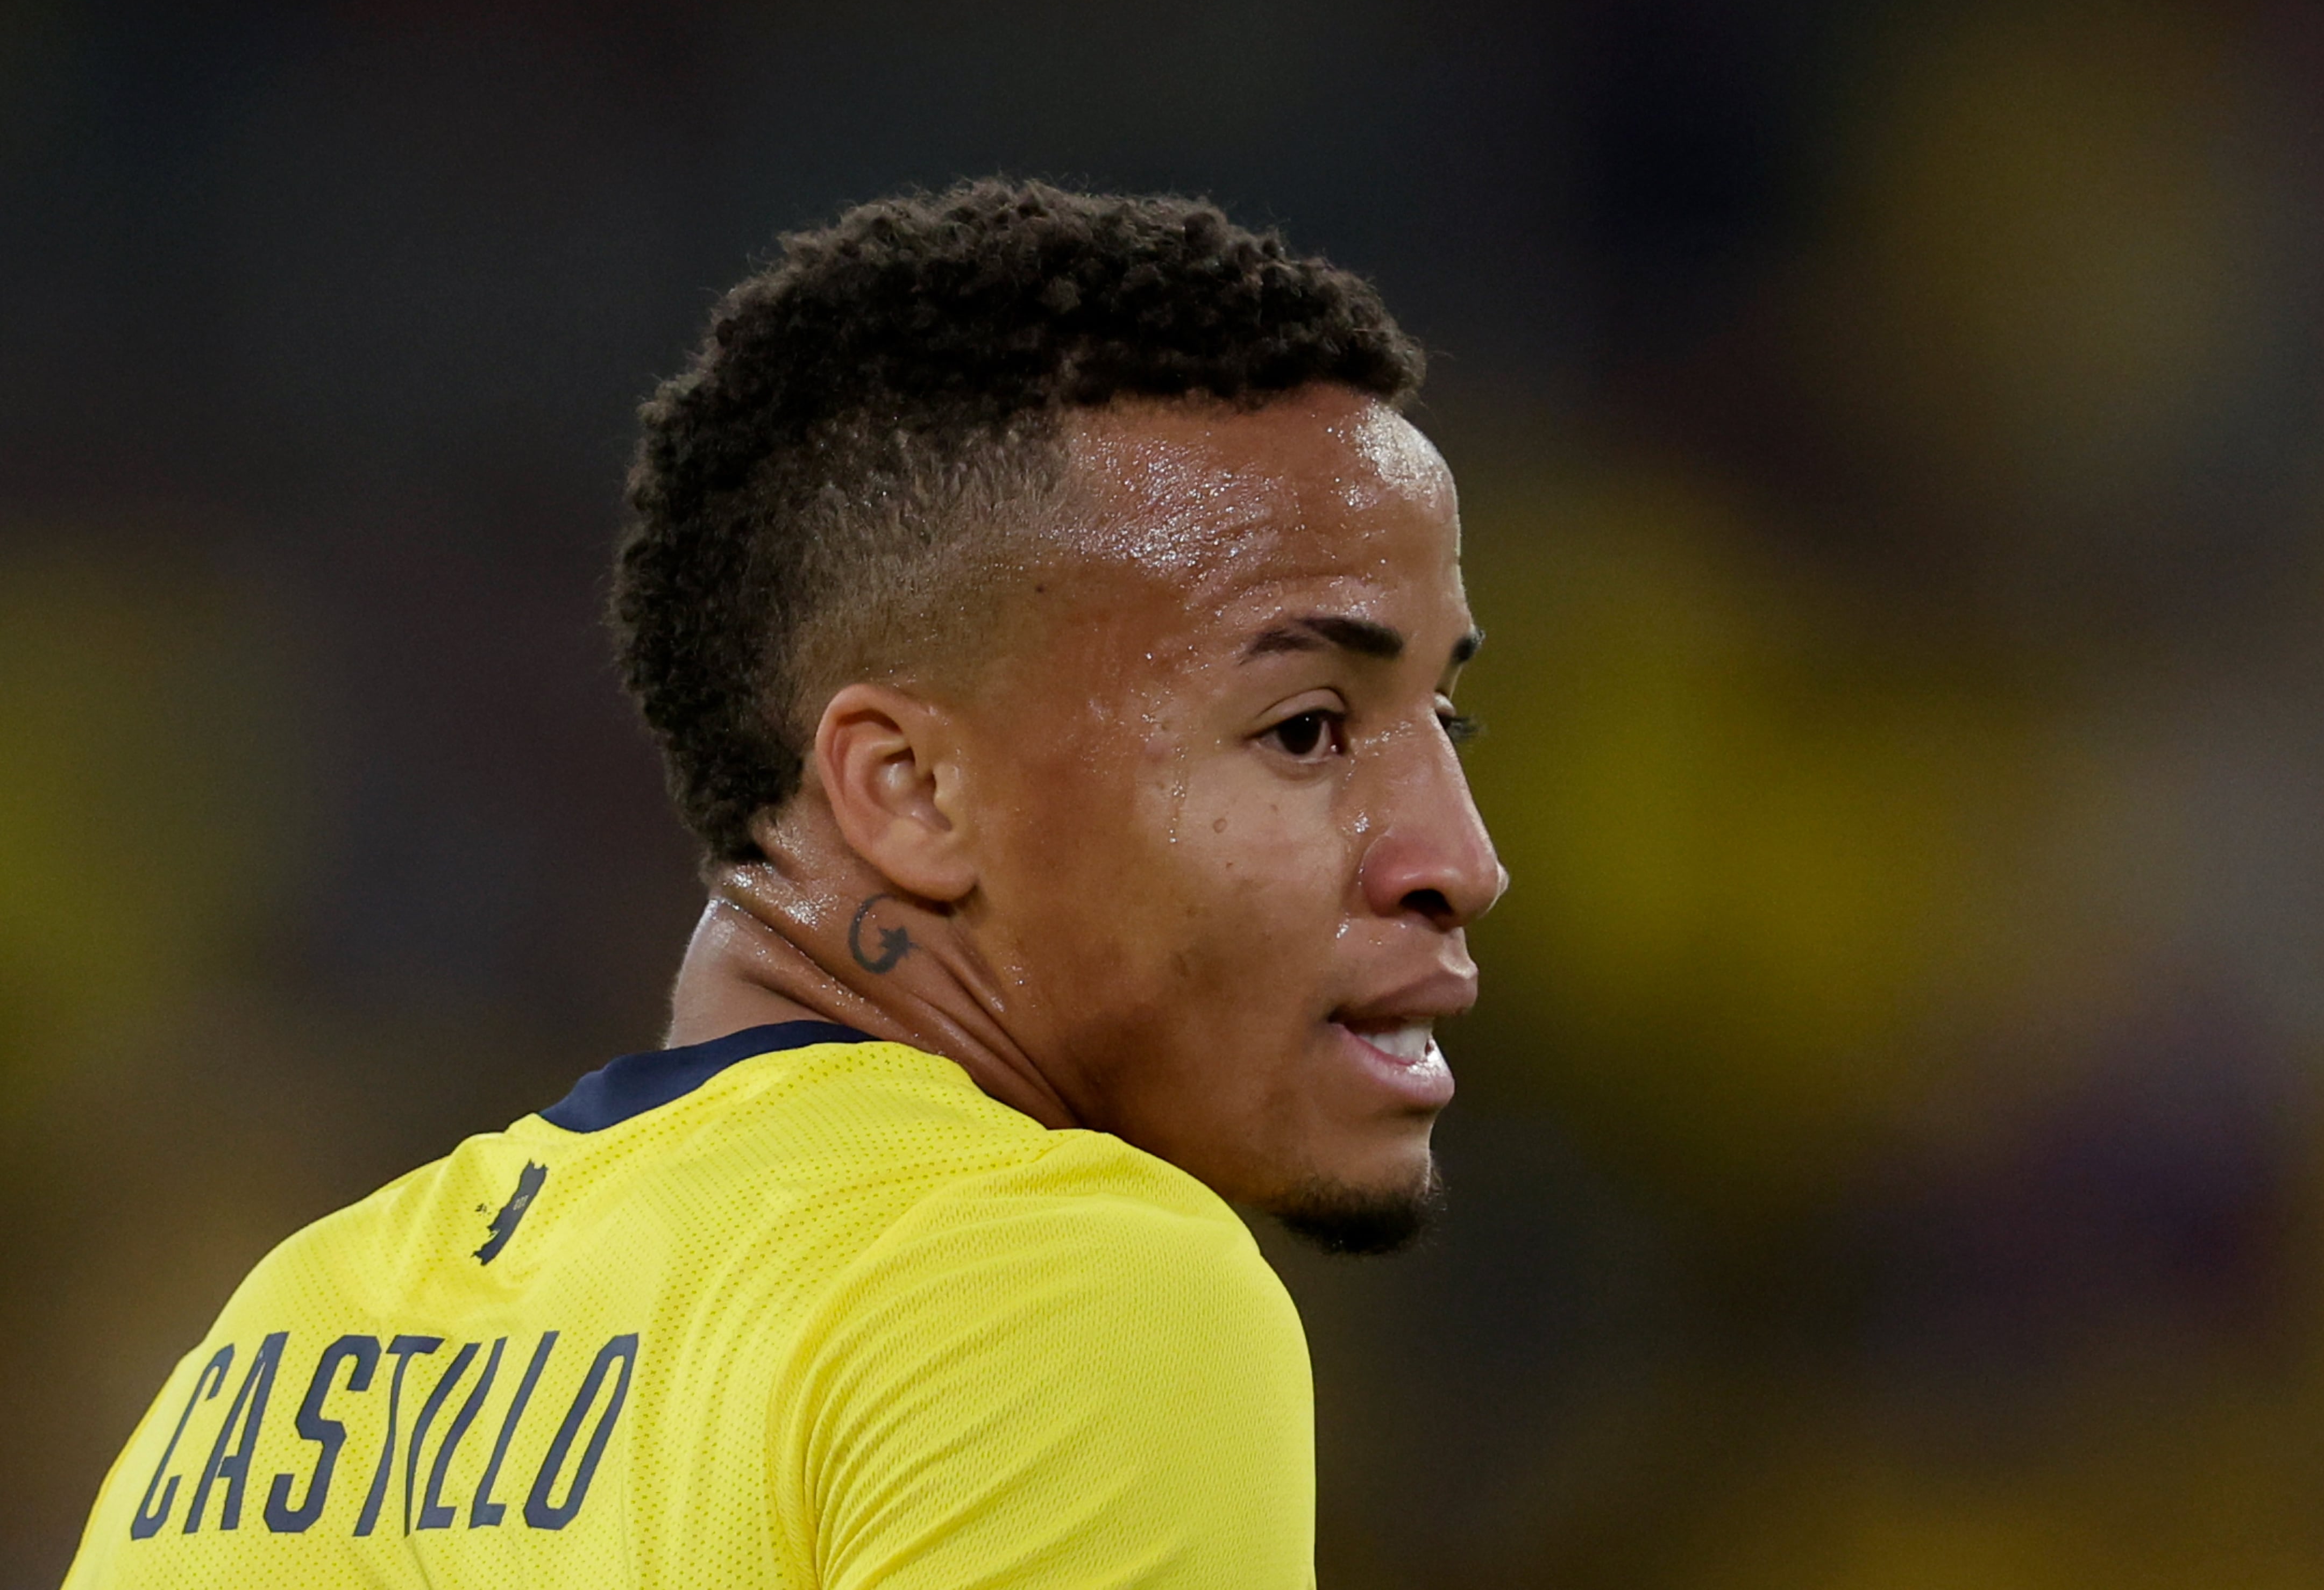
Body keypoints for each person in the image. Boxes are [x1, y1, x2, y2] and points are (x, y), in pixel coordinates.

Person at [62, 181, 1506, 1589]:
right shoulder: (1062, 1287)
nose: (1461, 861)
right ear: (911, 791)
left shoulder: (282, 1350)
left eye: (1446, 723)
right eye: (1307, 730)